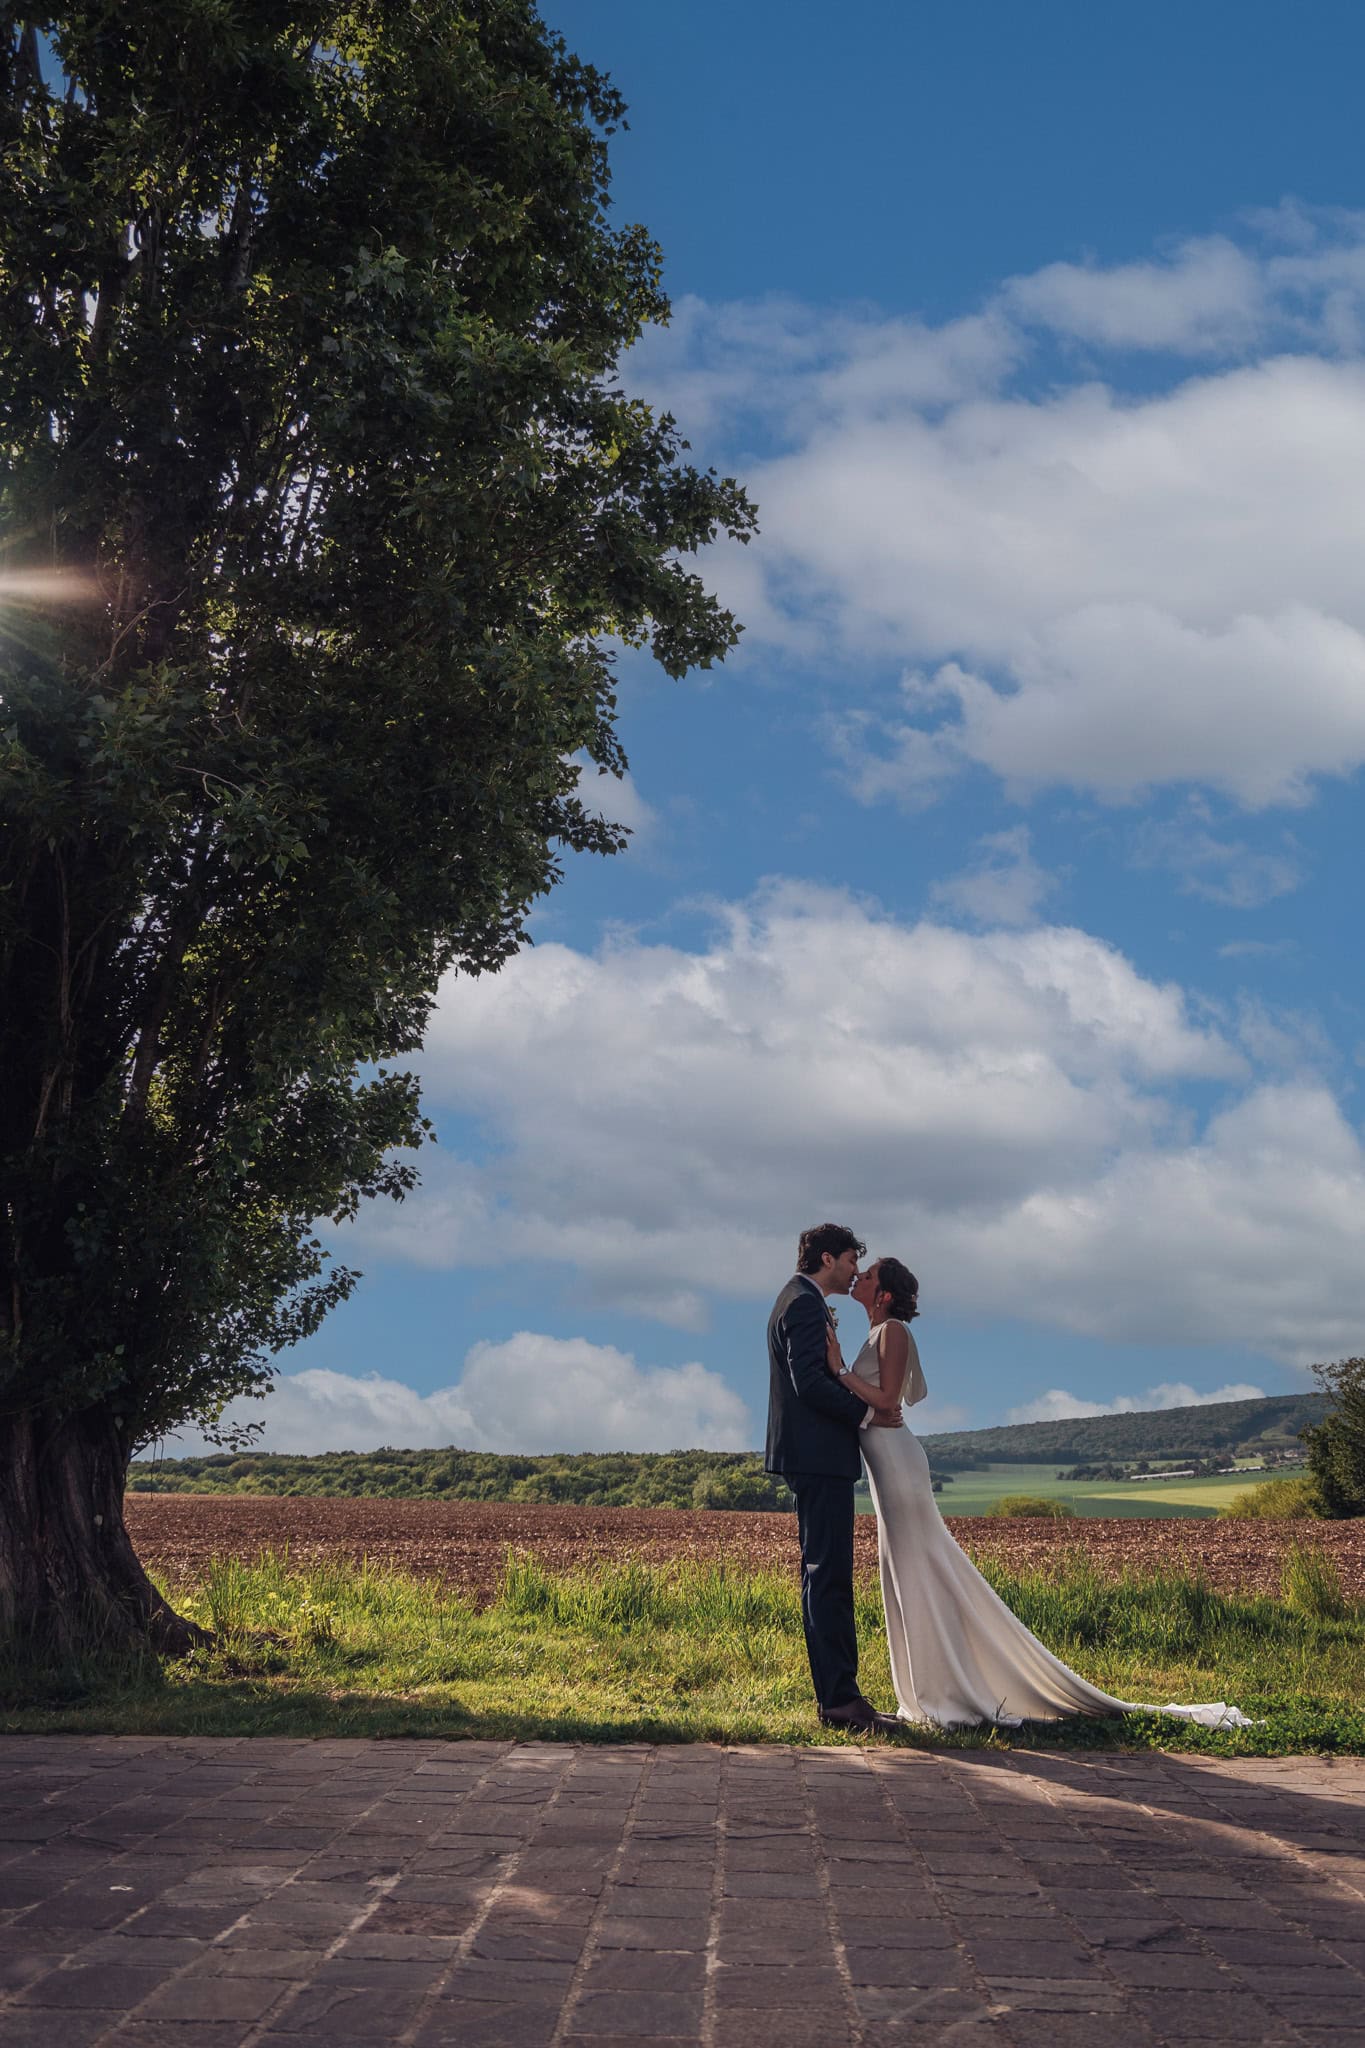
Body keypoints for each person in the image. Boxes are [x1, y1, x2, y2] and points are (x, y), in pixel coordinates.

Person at [827, 1258, 1251, 1729]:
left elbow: (887, 1401)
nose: (859, 1277)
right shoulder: (876, 1334)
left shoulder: (893, 1332)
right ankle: (927, 1691)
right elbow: (877, 1404)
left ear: (884, 1294)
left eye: (868, 1275)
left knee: (921, 1570)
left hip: (899, 1467)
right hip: (886, 1469)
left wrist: (838, 1369)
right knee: (906, 1574)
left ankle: (946, 1693)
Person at [765, 1223, 901, 1733]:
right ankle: (841, 1702)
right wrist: (867, 1414)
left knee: (823, 1576)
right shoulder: (803, 1304)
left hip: (814, 1456)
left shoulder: (799, 1299)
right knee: (829, 1579)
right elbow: (809, 1382)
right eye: (850, 1261)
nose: (853, 1271)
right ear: (827, 1258)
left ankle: (839, 1697)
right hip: (818, 1456)